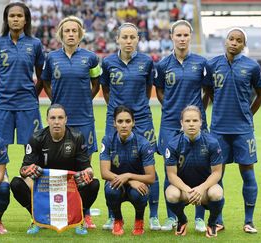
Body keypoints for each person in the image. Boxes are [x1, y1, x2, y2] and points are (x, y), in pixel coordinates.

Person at [41, 16, 101, 228]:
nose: (71, 34)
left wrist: (85, 100)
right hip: (60, 121)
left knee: (84, 169)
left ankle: (85, 213)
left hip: (84, 119)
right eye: (67, 31)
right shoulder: (51, 58)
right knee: (58, 166)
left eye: (75, 30)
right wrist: (55, 101)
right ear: (61, 34)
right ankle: (57, 209)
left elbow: (96, 84)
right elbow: (45, 81)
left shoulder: (91, 58)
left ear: (80, 33)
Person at [99, 22, 160, 231]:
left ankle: (152, 215)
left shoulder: (146, 62)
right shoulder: (107, 62)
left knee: (149, 165)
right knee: (113, 164)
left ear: (138, 40)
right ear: (117, 39)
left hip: (142, 118)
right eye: (124, 37)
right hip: (115, 117)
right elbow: (105, 89)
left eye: (132, 37)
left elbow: (148, 88)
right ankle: (111, 216)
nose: (128, 41)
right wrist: (118, 113)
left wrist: (136, 110)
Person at [205, 27, 261, 233]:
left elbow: (260, 93)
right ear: (226, 41)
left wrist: (249, 115)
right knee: (216, 175)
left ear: (243, 45)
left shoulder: (252, 66)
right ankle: (218, 220)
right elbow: (208, 90)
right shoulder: (212, 65)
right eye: (231, 38)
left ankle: (249, 221)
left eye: (239, 40)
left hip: (243, 130)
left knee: (248, 174)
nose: (234, 42)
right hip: (218, 130)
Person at [154, 20, 210, 232]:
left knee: (200, 168)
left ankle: (199, 217)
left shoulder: (202, 64)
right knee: (170, 168)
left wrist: (197, 113)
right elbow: (159, 91)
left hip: (196, 124)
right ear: (172, 37)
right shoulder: (162, 65)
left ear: (190, 37)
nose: (182, 38)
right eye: (178, 35)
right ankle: (172, 216)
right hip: (169, 124)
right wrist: (170, 106)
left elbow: (207, 91)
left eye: (186, 35)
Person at [10, 104, 100, 235]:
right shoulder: (36, 138)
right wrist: (28, 170)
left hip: (69, 186)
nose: (56, 122)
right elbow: (23, 169)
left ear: (66, 119)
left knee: (94, 183)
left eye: (60, 118)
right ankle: (37, 219)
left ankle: (79, 219)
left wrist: (89, 172)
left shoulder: (77, 137)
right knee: (16, 183)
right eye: (53, 118)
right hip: (44, 186)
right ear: (47, 120)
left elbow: (86, 166)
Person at [0, 2, 45, 148]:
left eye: (19, 16)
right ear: (6, 19)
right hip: (3, 103)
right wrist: (0, 92)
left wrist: (32, 94)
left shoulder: (35, 43)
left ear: (26, 20)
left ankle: (27, 171)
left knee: (32, 145)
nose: (16, 19)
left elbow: (41, 76)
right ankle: (2, 172)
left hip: (28, 103)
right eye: (12, 16)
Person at [165, 105, 224, 238]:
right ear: (181, 123)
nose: (191, 124)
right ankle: (182, 220)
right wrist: (187, 189)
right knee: (170, 193)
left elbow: (217, 173)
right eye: (187, 121)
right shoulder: (173, 144)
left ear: (201, 122)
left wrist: (201, 188)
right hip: (184, 191)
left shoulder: (212, 143)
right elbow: (171, 175)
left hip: (205, 191)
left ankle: (212, 223)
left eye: (195, 121)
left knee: (217, 192)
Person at [100, 106, 156, 236]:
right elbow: (104, 173)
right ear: (114, 123)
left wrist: (128, 176)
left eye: (127, 121)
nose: (124, 125)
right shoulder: (107, 140)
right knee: (110, 189)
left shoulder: (143, 143)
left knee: (139, 191)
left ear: (133, 122)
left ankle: (139, 220)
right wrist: (129, 180)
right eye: (120, 121)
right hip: (118, 183)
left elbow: (151, 177)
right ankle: (118, 220)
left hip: (137, 186)